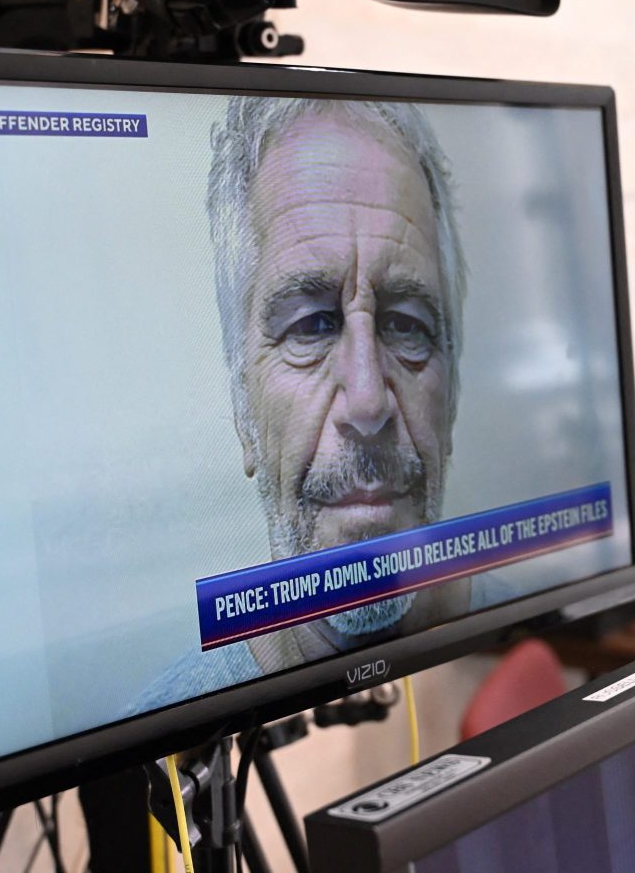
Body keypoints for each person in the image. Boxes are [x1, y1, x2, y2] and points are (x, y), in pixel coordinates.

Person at [128, 97, 471, 712]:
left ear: (452, 397)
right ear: (243, 407)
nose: (367, 400)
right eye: (311, 326)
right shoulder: (158, 728)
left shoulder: (536, 606)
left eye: (405, 325)